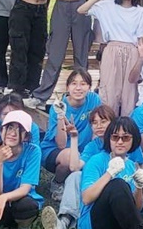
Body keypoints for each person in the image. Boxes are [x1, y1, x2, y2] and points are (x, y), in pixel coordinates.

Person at [28, 0, 95, 108]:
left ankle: (81, 95)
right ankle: (41, 96)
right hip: (61, 7)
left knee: (81, 54)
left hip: (81, 8)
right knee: (55, 54)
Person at [76, 0, 143, 116]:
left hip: (133, 51)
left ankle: (127, 129)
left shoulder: (140, 11)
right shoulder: (107, 6)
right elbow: (81, 10)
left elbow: (142, 39)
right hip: (111, 49)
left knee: (129, 93)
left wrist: (141, 61)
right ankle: (106, 127)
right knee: (108, 91)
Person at [40, 69, 102, 201]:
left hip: (83, 149)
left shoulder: (94, 100)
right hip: (56, 151)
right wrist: (61, 117)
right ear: (67, 87)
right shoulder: (59, 107)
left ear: (89, 87)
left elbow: (97, 129)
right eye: (74, 84)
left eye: (83, 84)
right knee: (69, 157)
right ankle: (57, 183)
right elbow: (61, 144)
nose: (78, 88)